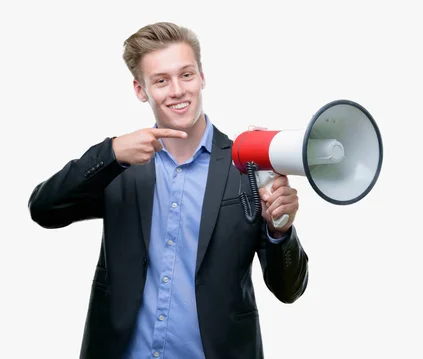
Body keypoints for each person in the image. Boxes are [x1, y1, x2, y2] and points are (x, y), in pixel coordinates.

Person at [28, 21, 309, 359]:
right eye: (161, 81)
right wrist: (112, 153)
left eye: (186, 75)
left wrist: (281, 229)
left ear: (202, 77)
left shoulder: (247, 168)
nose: (177, 90)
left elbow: (289, 290)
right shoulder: (119, 166)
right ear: (140, 90)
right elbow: (44, 209)